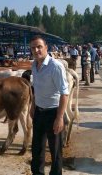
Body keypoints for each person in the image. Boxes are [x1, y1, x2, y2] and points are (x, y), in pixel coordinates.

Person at [29, 35, 69, 175]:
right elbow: (36, 88)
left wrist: (59, 118)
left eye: (39, 46)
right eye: (33, 48)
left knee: (55, 151)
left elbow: (64, 93)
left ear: (46, 47)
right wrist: (33, 106)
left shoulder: (55, 66)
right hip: (39, 113)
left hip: (53, 113)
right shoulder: (34, 65)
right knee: (37, 149)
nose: (36, 50)